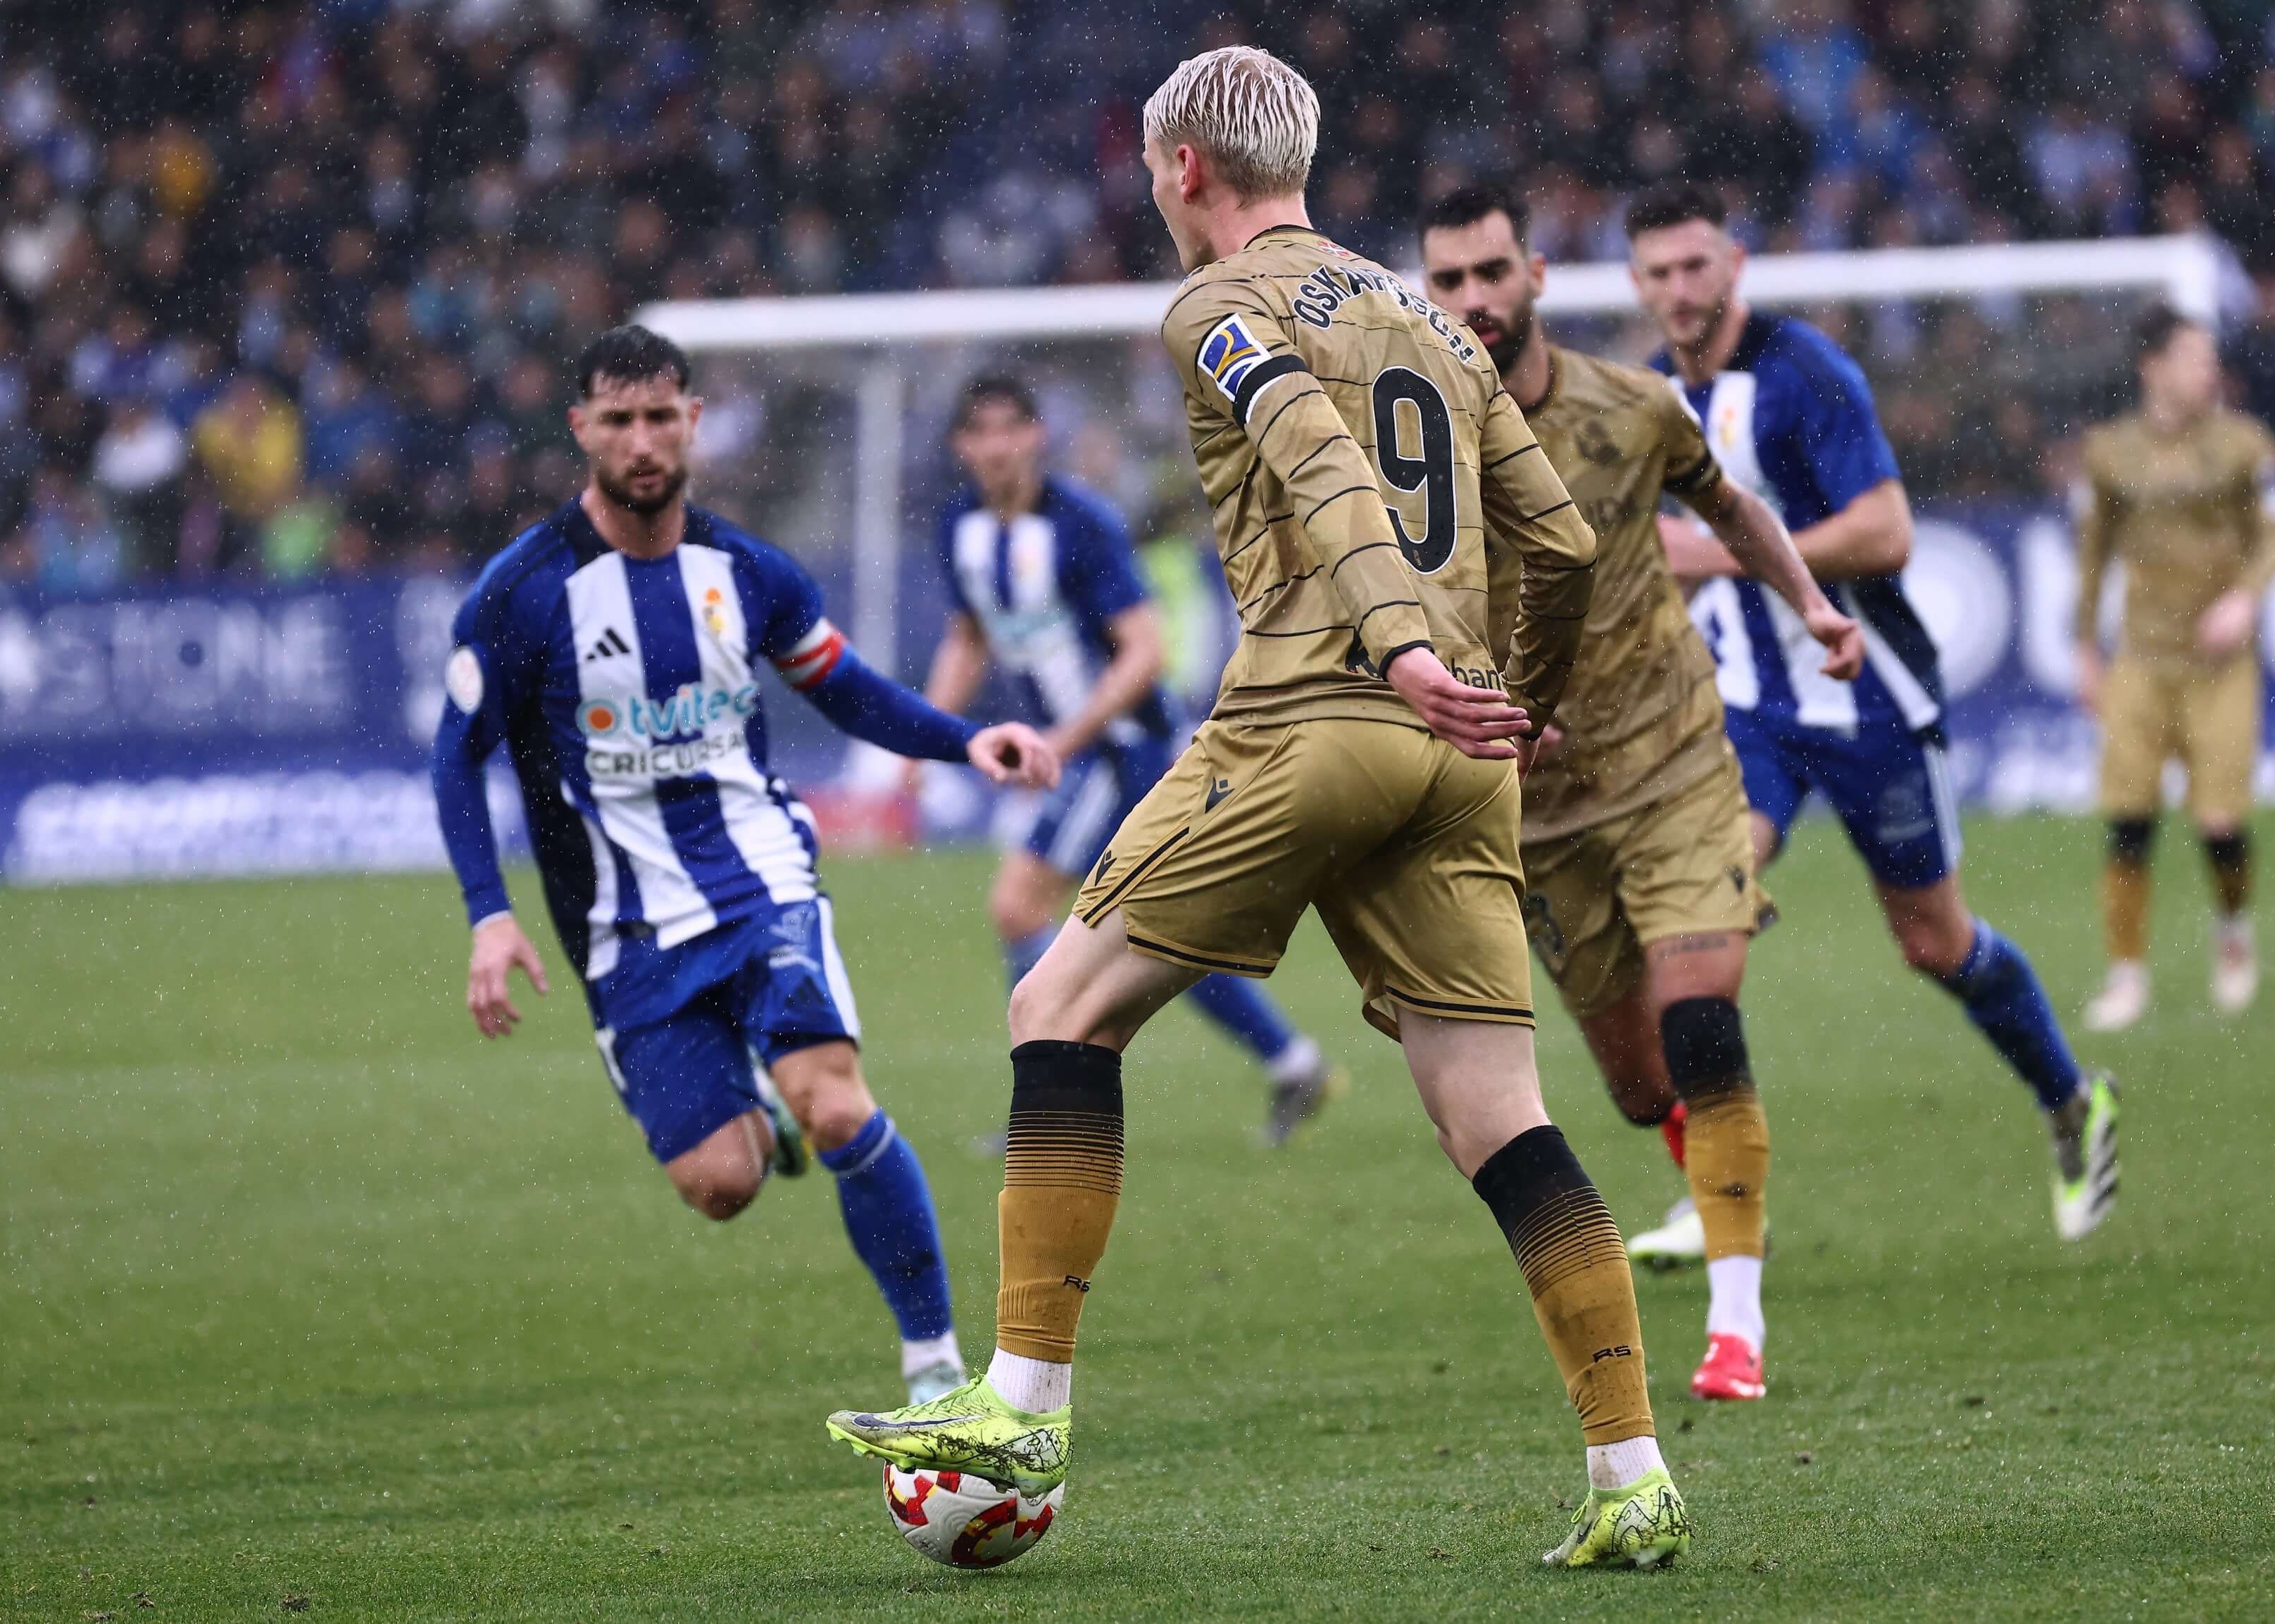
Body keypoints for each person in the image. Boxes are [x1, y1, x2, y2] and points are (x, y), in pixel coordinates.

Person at [829, 47, 1693, 1571]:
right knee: (1503, 1118)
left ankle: (1019, 1403)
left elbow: (1313, 462)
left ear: (1180, 170)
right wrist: (1512, 699)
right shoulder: (1429, 313)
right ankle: (1632, 1471)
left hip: (1316, 713)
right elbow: (1557, 540)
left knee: (1055, 1002)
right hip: (1456, 754)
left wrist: (1405, 650)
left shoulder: (1211, 306)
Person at [430, 325, 1060, 1405]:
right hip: (624, 930)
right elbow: (456, 757)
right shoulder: (524, 592)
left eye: (660, 416)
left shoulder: (747, 572)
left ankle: (939, 1374)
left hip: (760, 883)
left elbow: (848, 688)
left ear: (693, 424)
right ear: (581, 429)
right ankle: (754, 1110)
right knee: (720, 1183)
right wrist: (491, 913)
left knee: (838, 1103)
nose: (641, 440)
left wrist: (967, 738)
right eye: (618, 420)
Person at [1418, 182, 1863, 1404]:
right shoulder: (1417, 454)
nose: (1473, 301)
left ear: (1537, 275)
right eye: (1447, 282)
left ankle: (1736, 1329)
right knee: (1635, 1087)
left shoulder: (1636, 407)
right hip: (1542, 816)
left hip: (1675, 764)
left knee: (1698, 1013)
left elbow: (1734, 507)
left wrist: (1813, 605)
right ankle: (1715, 1177)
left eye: (1490, 274)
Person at [1630, 182, 2120, 1246]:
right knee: (1694, 924)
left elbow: (1888, 530)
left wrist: (1714, 555)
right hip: (1748, 709)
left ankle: (2072, 1098)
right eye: (1658, 271)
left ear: (1735, 266)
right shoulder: (1649, 394)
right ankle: (1712, 1183)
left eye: (1694, 265)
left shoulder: (1806, 373)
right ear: (1636, 282)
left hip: (1869, 701)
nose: (1679, 289)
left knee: (1932, 939)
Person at [914, 374, 1347, 1145]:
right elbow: (969, 635)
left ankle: (1047, 1110)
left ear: (1036, 435)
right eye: (980, 431)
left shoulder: (1081, 524)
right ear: (961, 445)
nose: (997, 446)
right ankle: (1293, 1063)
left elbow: (1143, 653)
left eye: (1011, 428)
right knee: (1151, 933)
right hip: (1080, 753)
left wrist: (1065, 739)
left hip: (1118, 752)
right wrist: (930, 733)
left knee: (1022, 908)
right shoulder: (962, 529)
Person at [2072, 308, 2275, 1030]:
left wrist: (2244, 599)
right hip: (2140, 659)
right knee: (2128, 820)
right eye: (2194, 358)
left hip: (2220, 663)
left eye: (2210, 359)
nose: (2209, 370)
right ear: (2153, 367)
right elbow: (2092, 553)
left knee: (2219, 820)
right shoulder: (2109, 453)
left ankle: (2232, 935)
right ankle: (2126, 976)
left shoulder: (2243, 445)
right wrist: (2082, 647)